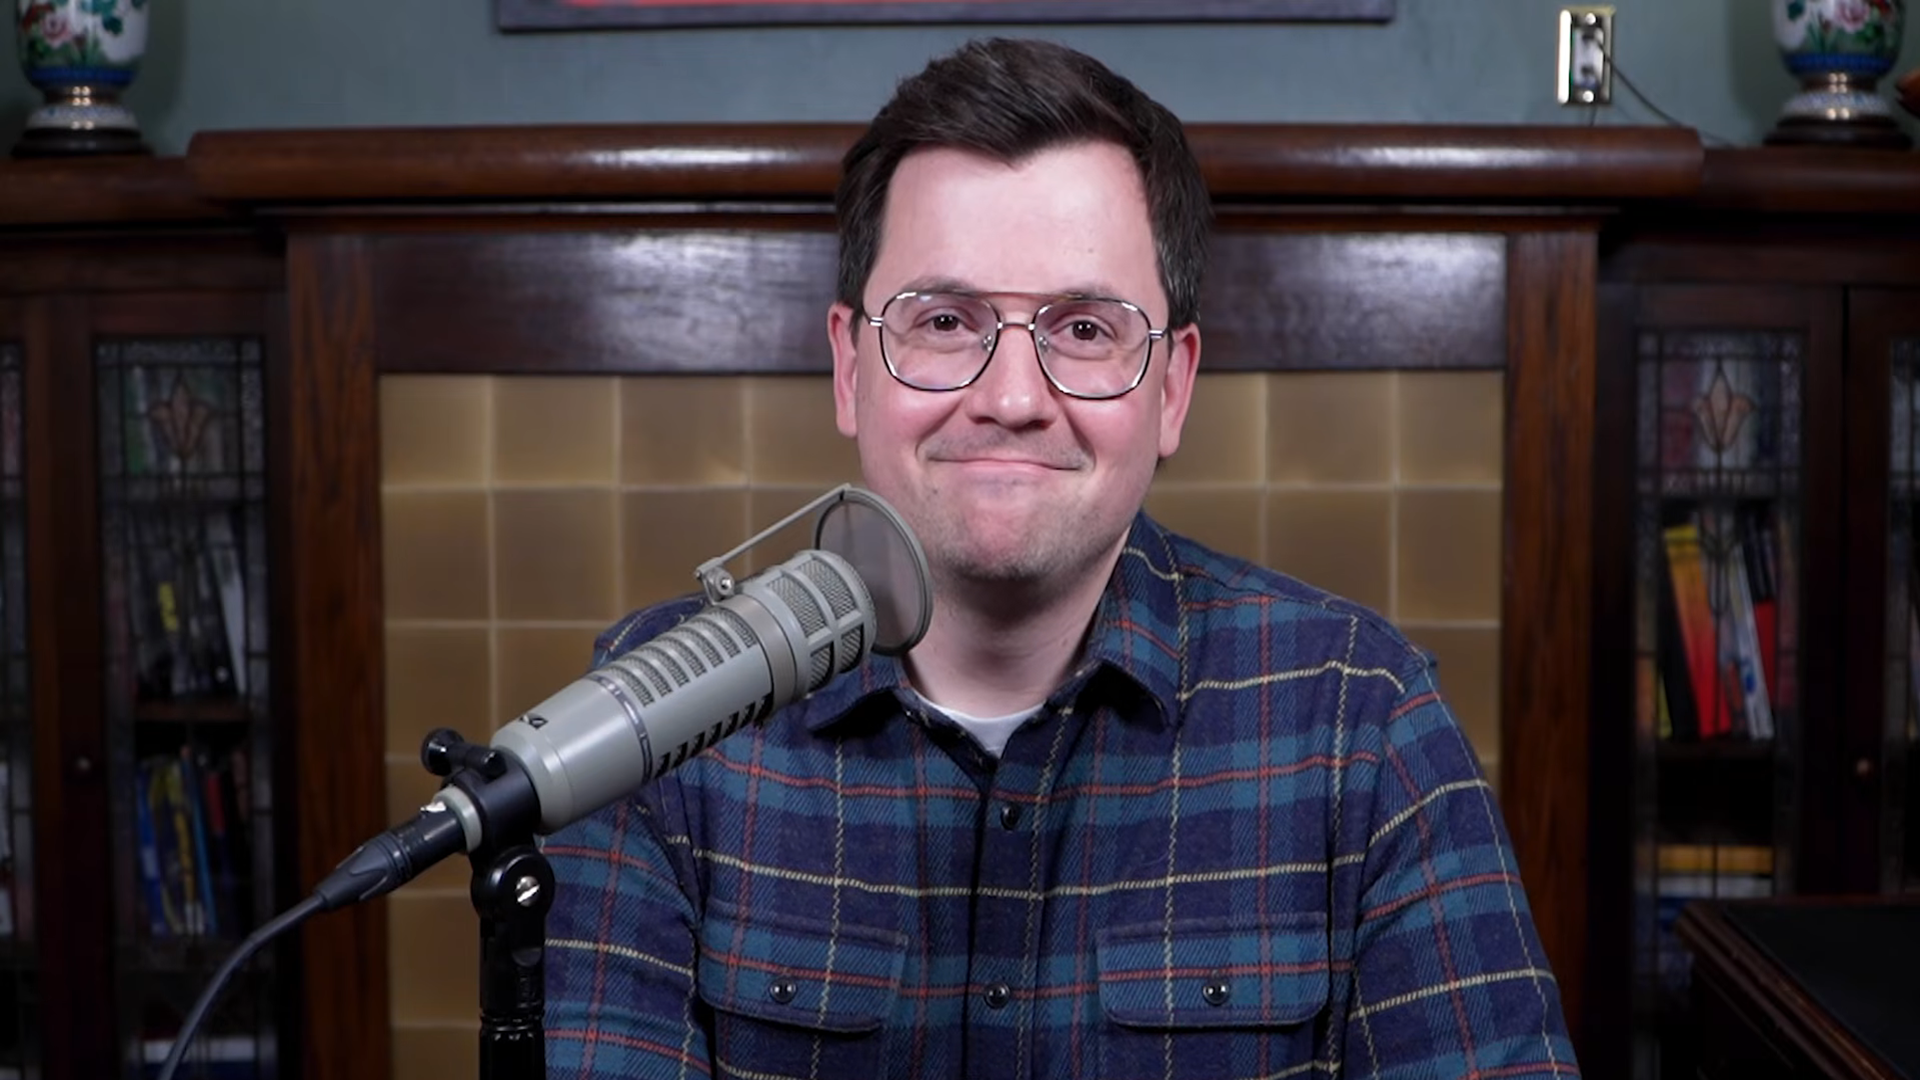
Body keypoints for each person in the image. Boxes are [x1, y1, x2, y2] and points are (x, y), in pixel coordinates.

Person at [543, 36, 1580, 1079]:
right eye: (946, 321)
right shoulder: (651, 728)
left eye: (1084, 329)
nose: (1013, 398)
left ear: (1171, 388)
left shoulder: (1362, 717)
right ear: (850, 368)